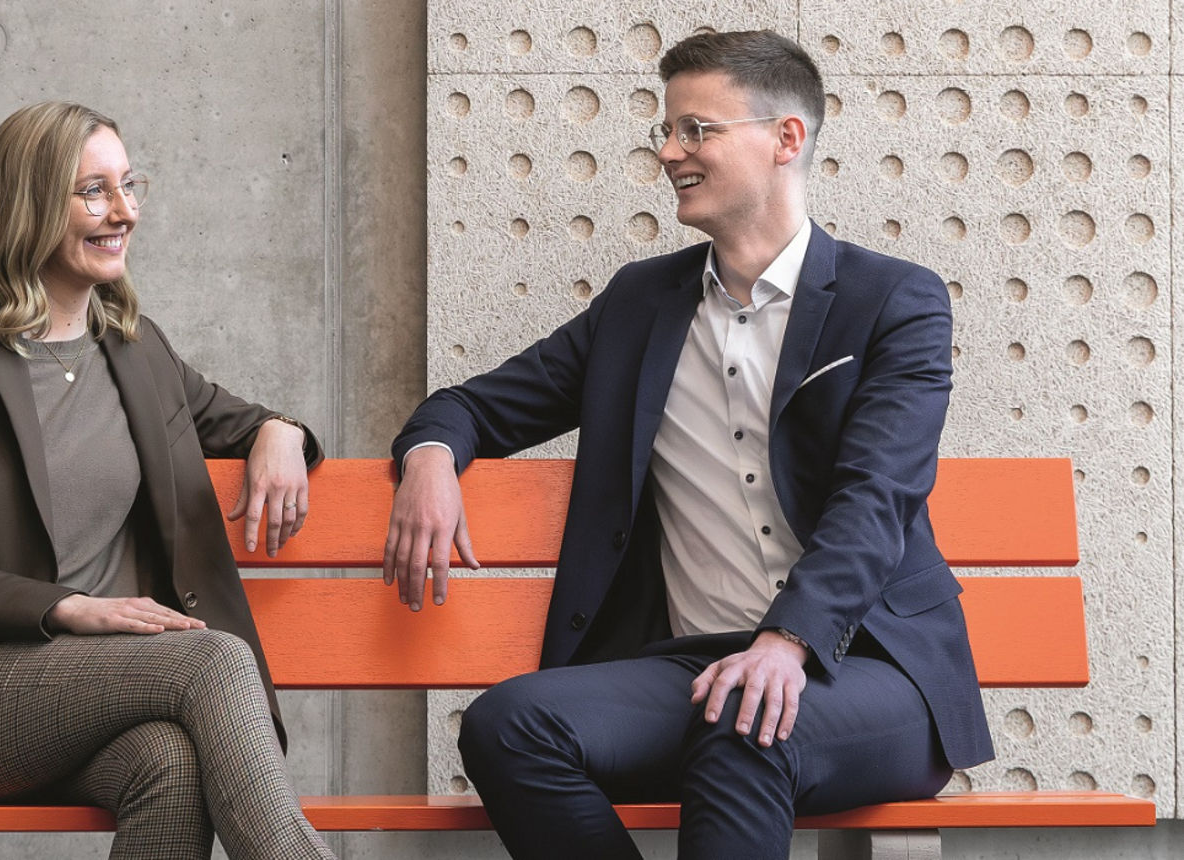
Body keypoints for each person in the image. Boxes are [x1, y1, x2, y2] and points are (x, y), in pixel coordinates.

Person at [383, 30, 993, 859]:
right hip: (688, 666)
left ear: (786, 138)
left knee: (745, 727)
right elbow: (472, 408)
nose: (670, 151)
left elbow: (876, 499)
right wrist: (427, 457)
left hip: (870, 666)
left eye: (696, 129)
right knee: (509, 724)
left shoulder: (893, 300)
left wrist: (788, 642)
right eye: (666, 132)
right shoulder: (641, 305)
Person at [0, 102, 335, 860]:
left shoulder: (134, 350)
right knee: (213, 656)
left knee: (170, 762)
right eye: (93, 191)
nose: (124, 212)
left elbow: (241, 419)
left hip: (94, 693)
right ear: (29, 204)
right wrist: (70, 609)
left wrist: (282, 432)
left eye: (129, 185)